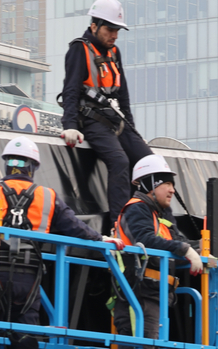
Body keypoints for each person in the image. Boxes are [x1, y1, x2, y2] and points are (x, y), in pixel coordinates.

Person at [0, 137, 111, 349]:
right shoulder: (47, 196)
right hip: (28, 282)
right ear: (32, 167)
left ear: (7, 165)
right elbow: (74, 227)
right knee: (27, 346)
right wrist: (101, 239)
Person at [110, 155, 203, 349]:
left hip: (154, 297)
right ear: (150, 184)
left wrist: (203, 248)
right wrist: (184, 249)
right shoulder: (136, 208)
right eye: (166, 183)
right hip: (137, 297)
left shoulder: (159, 215)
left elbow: (176, 241)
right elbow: (144, 239)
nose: (172, 189)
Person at [60, 0, 155, 231]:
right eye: (110, 29)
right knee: (120, 161)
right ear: (94, 26)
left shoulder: (114, 52)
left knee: (150, 164)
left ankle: (155, 227)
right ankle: (119, 226)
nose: (115, 35)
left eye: (117, 30)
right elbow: (71, 89)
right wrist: (70, 125)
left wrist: (132, 130)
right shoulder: (79, 49)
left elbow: (123, 95)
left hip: (116, 120)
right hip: (91, 119)